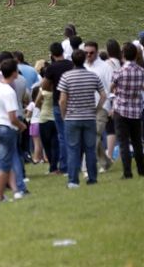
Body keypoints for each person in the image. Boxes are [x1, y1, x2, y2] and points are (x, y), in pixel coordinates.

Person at [58, 50, 106, 188]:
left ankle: (73, 180)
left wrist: (63, 115)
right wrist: (97, 109)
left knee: (73, 149)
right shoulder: (92, 76)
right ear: (85, 59)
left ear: (72, 61)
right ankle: (92, 178)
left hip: (72, 117)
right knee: (90, 149)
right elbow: (103, 95)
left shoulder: (66, 77)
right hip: (89, 117)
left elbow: (62, 100)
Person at [0, 59, 27, 202]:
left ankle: (15, 189)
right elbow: (12, 118)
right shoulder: (9, 91)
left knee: (5, 160)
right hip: (5, 128)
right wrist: (21, 126)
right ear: (15, 73)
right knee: (4, 164)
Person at [111, 42, 144, 178]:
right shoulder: (141, 70)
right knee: (137, 141)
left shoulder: (119, 71)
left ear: (123, 55)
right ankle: (142, 169)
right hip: (136, 110)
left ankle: (127, 172)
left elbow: (112, 86)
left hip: (121, 109)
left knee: (124, 142)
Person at [84, 41, 115, 171]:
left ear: (96, 52)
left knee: (95, 135)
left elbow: (112, 88)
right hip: (86, 106)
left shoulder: (106, 67)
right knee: (90, 135)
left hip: (102, 106)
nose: (88, 55)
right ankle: (105, 162)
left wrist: (113, 106)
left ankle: (86, 166)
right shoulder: (82, 66)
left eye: (91, 53)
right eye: (86, 53)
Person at [43, 42, 74, 174]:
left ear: (52, 54)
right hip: (73, 101)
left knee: (62, 136)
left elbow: (44, 85)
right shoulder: (70, 64)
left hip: (58, 102)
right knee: (73, 135)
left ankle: (65, 166)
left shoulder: (51, 68)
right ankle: (76, 163)